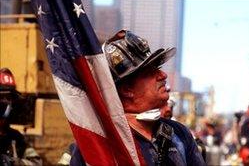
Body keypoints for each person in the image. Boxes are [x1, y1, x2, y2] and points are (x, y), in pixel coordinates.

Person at [69, 30, 206, 165]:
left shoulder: (179, 134)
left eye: (158, 68)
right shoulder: (97, 142)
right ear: (127, 89)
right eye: (150, 72)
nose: (163, 75)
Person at [0, 68, 41, 166]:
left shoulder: (15, 137)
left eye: (9, 98)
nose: (6, 102)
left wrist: (15, 162)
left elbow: (37, 163)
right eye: (1, 97)